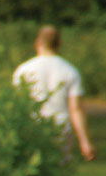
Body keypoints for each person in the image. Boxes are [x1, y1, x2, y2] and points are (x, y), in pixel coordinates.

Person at [11, 25, 96, 162]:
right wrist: (85, 142)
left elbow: (17, 105)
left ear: (37, 42)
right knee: (59, 168)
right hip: (60, 126)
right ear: (58, 44)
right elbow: (76, 109)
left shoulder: (23, 70)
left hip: (33, 125)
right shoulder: (69, 71)